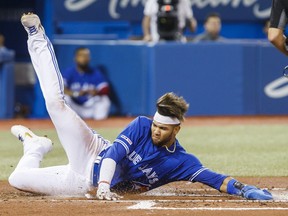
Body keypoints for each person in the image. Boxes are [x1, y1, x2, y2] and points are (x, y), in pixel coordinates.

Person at [9, 13, 273, 201]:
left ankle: (35, 147)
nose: (156, 131)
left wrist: (243, 188)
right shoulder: (142, 125)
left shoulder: (181, 162)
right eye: (156, 125)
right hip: (92, 152)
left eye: (162, 128)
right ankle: (37, 36)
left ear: (176, 130)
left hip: (78, 183)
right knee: (56, 104)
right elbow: (112, 156)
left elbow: (215, 179)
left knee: (16, 180)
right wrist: (103, 186)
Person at [62, 47, 111, 120]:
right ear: (75, 58)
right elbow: (60, 88)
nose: (84, 58)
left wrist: (96, 92)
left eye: (87, 56)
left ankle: (100, 124)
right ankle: (67, 122)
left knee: (104, 99)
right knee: (65, 98)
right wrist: (77, 93)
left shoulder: (95, 72)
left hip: (90, 106)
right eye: (81, 55)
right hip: (74, 107)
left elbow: (105, 88)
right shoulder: (69, 72)